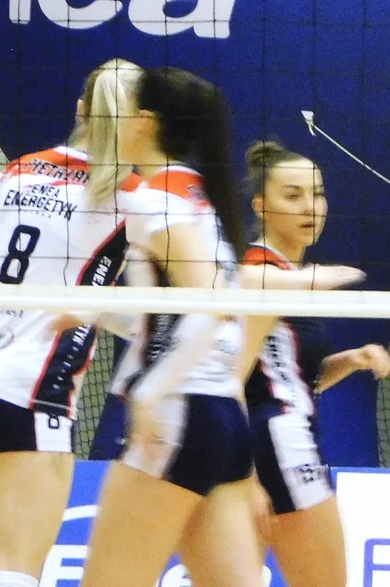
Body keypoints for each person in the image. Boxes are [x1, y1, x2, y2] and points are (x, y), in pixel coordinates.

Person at [0, 60, 143, 587]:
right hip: (30, 393)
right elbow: (168, 312)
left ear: (81, 110)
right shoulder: (134, 195)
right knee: (14, 574)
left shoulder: (19, 170)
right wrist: (101, 308)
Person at [79, 67, 277, 587]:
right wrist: (90, 309)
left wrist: (149, 392)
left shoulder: (154, 200)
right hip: (218, 415)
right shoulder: (199, 199)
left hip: (178, 412)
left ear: (144, 122)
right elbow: (175, 315)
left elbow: (209, 303)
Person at [241, 141, 390, 587]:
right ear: (261, 206)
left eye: (318, 193)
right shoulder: (261, 274)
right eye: (293, 196)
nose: (310, 207)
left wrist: (352, 360)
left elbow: (283, 376)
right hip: (277, 441)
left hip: (278, 438)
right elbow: (231, 377)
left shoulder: (286, 276)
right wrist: (247, 476)